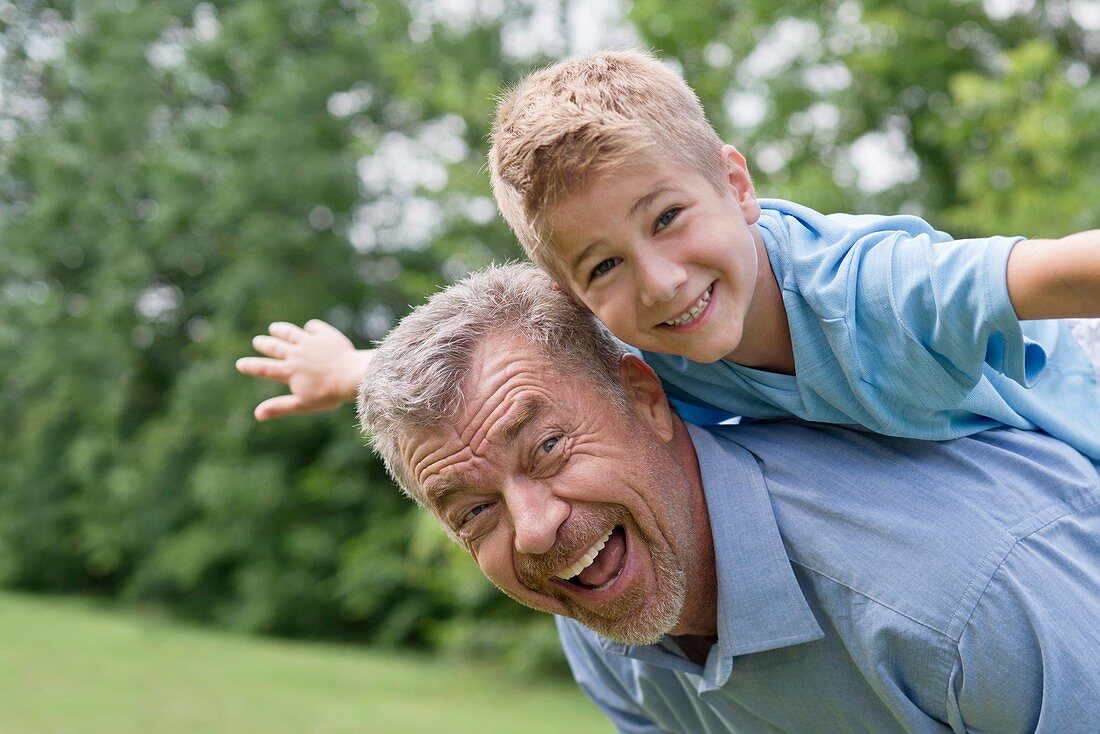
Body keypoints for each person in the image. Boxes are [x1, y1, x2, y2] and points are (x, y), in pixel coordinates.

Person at [239, 49, 1100, 465]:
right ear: (569, 292)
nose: (659, 281)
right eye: (602, 267)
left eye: (667, 217)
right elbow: (496, 368)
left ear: (737, 184)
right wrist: (351, 367)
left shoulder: (875, 291)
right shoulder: (633, 344)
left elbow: (1058, 268)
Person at [356, 262, 1100, 734]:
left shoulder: (964, 602)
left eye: (547, 448)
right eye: (474, 511)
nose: (536, 531)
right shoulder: (601, 613)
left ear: (645, 400)